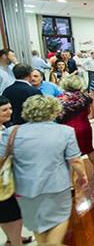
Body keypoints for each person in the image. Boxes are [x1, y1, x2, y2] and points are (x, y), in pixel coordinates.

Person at [0, 95, 87, 245]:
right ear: (54, 111)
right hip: (57, 185)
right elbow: (76, 160)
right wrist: (82, 176)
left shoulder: (12, 132)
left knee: (37, 222)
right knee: (59, 218)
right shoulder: (65, 131)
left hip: (25, 188)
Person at [0, 96, 34, 246]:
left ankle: (14, 238)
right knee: (11, 214)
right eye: (4, 110)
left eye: (10, 108)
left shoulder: (4, 127)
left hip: (9, 178)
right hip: (3, 181)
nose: (9, 112)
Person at [57, 75, 94, 181]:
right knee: (90, 149)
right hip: (84, 126)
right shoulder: (85, 97)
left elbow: (58, 116)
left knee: (70, 155)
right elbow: (89, 112)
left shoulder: (60, 99)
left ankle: (72, 183)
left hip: (68, 129)